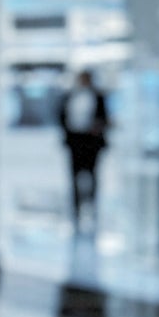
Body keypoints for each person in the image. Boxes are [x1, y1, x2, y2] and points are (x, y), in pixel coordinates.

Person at [59, 66, 111, 232]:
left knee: (92, 174)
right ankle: (76, 206)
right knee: (74, 175)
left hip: (91, 142)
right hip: (75, 141)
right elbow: (61, 116)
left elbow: (104, 117)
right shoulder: (70, 96)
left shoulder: (98, 96)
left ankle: (92, 204)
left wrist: (98, 127)